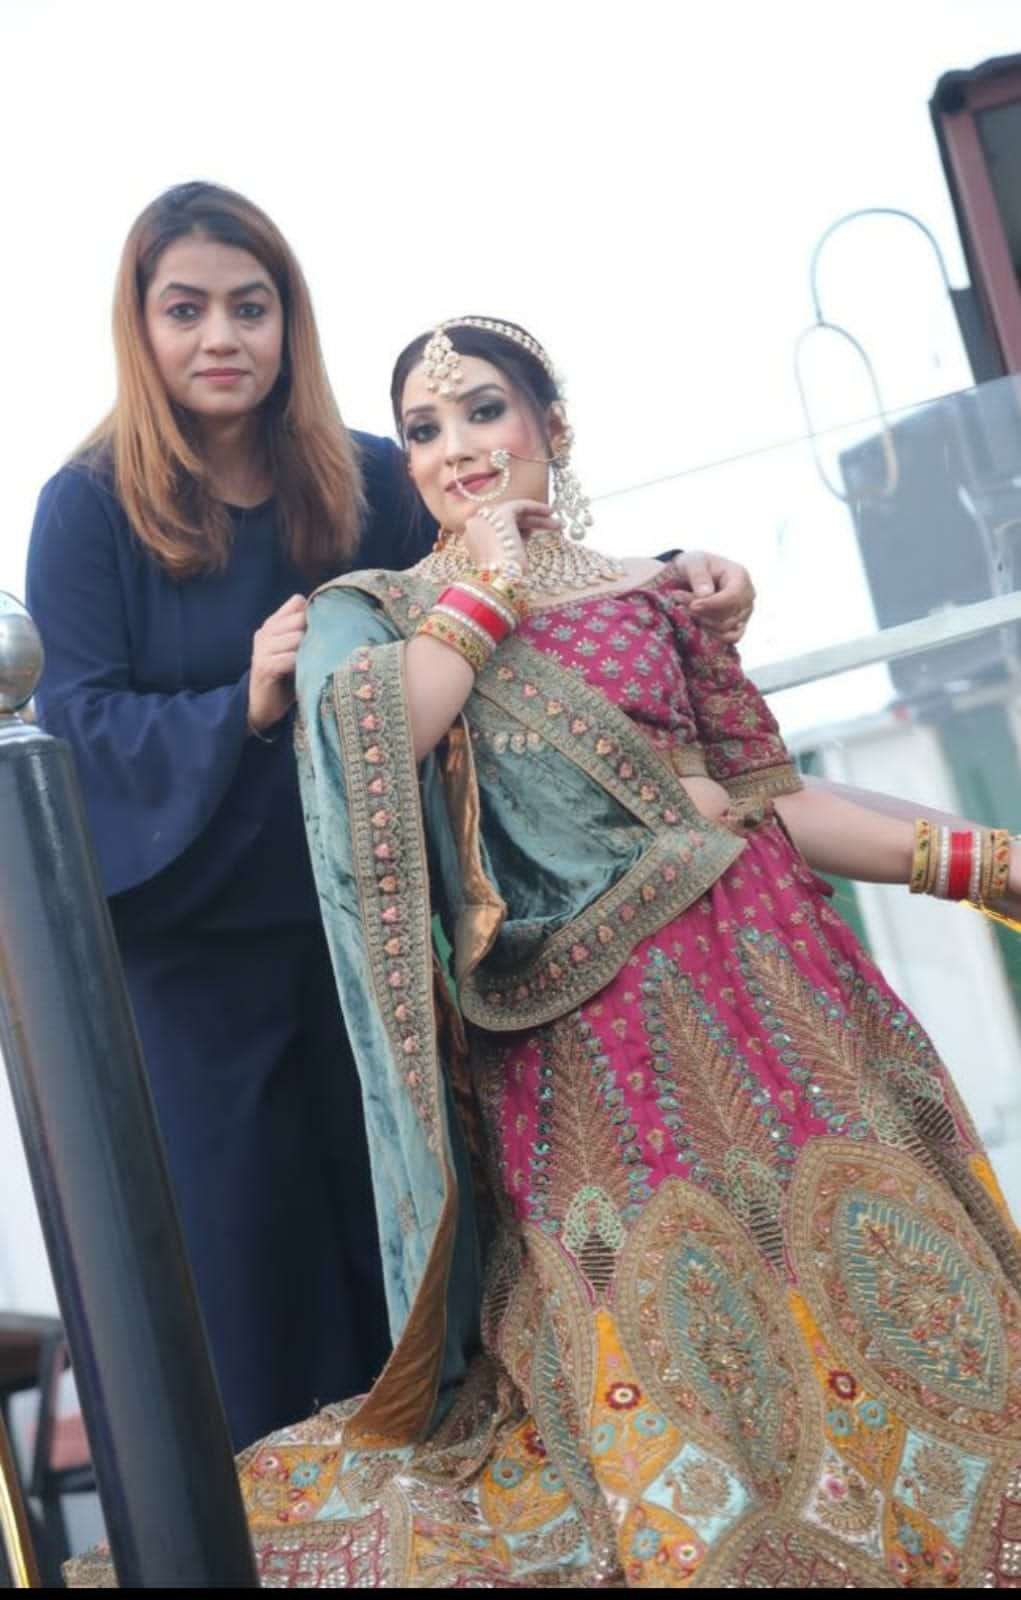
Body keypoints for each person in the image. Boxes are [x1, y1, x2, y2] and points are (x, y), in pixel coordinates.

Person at [212, 316, 1020, 1590]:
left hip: (771, 985)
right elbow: (369, 750)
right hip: (582, 1040)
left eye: (485, 410)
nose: (457, 447)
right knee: (669, 1333)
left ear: (553, 427)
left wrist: (973, 857)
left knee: (879, 1287)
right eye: (425, 429)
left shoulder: (658, 592)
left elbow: (766, 801)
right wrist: (485, 586)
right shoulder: (377, 613)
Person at [25, 187, 754, 1453]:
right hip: (198, 978)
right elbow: (71, 729)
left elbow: (511, 560)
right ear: (138, 328)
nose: (221, 338)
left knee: (424, 1265)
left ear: (290, 320)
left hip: (377, 946)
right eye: (186, 310)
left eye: (250, 307)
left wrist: (682, 573)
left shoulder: (367, 474)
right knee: (247, 1277)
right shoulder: (89, 504)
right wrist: (241, 702)